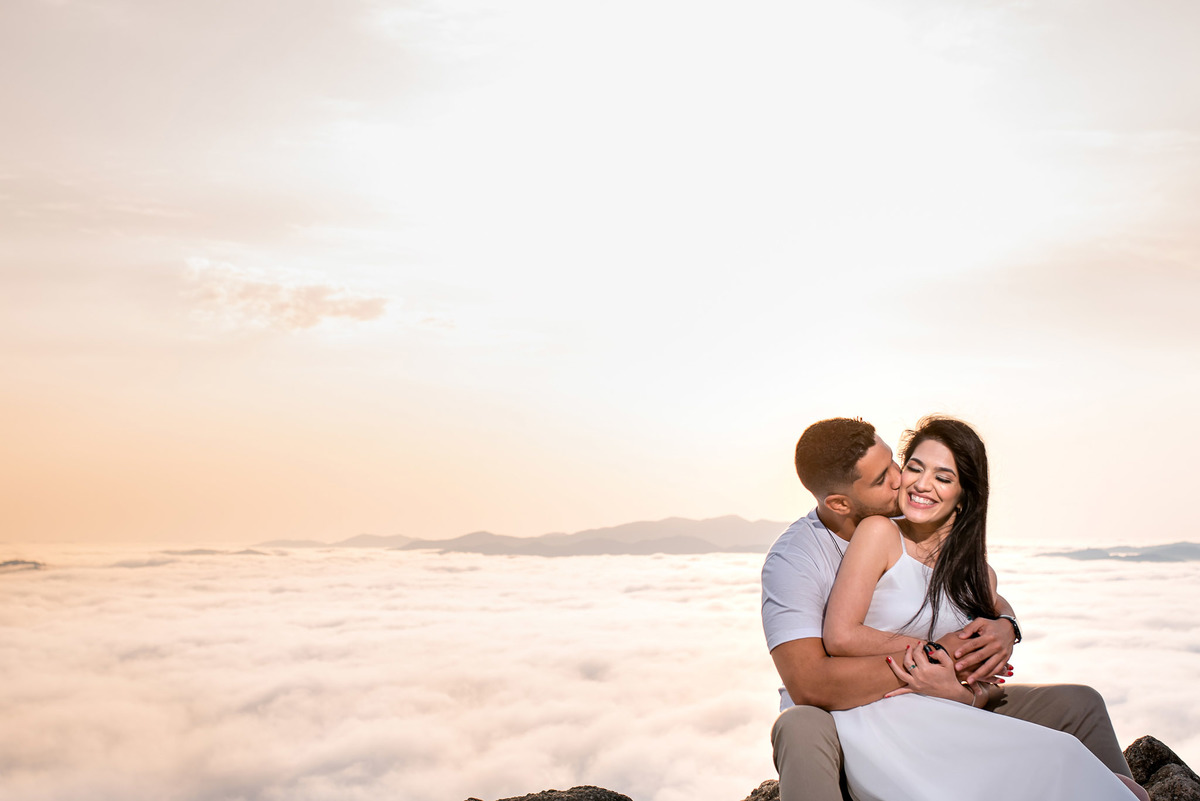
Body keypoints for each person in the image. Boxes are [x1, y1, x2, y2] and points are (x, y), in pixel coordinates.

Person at [762, 417, 1138, 801]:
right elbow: (813, 680)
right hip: (848, 707)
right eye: (884, 478)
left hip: (939, 701)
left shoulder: (920, 522)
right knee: (799, 725)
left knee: (1081, 712)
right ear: (840, 502)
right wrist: (938, 653)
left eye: (896, 463)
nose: (902, 480)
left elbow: (978, 603)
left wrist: (1004, 626)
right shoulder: (801, 557)